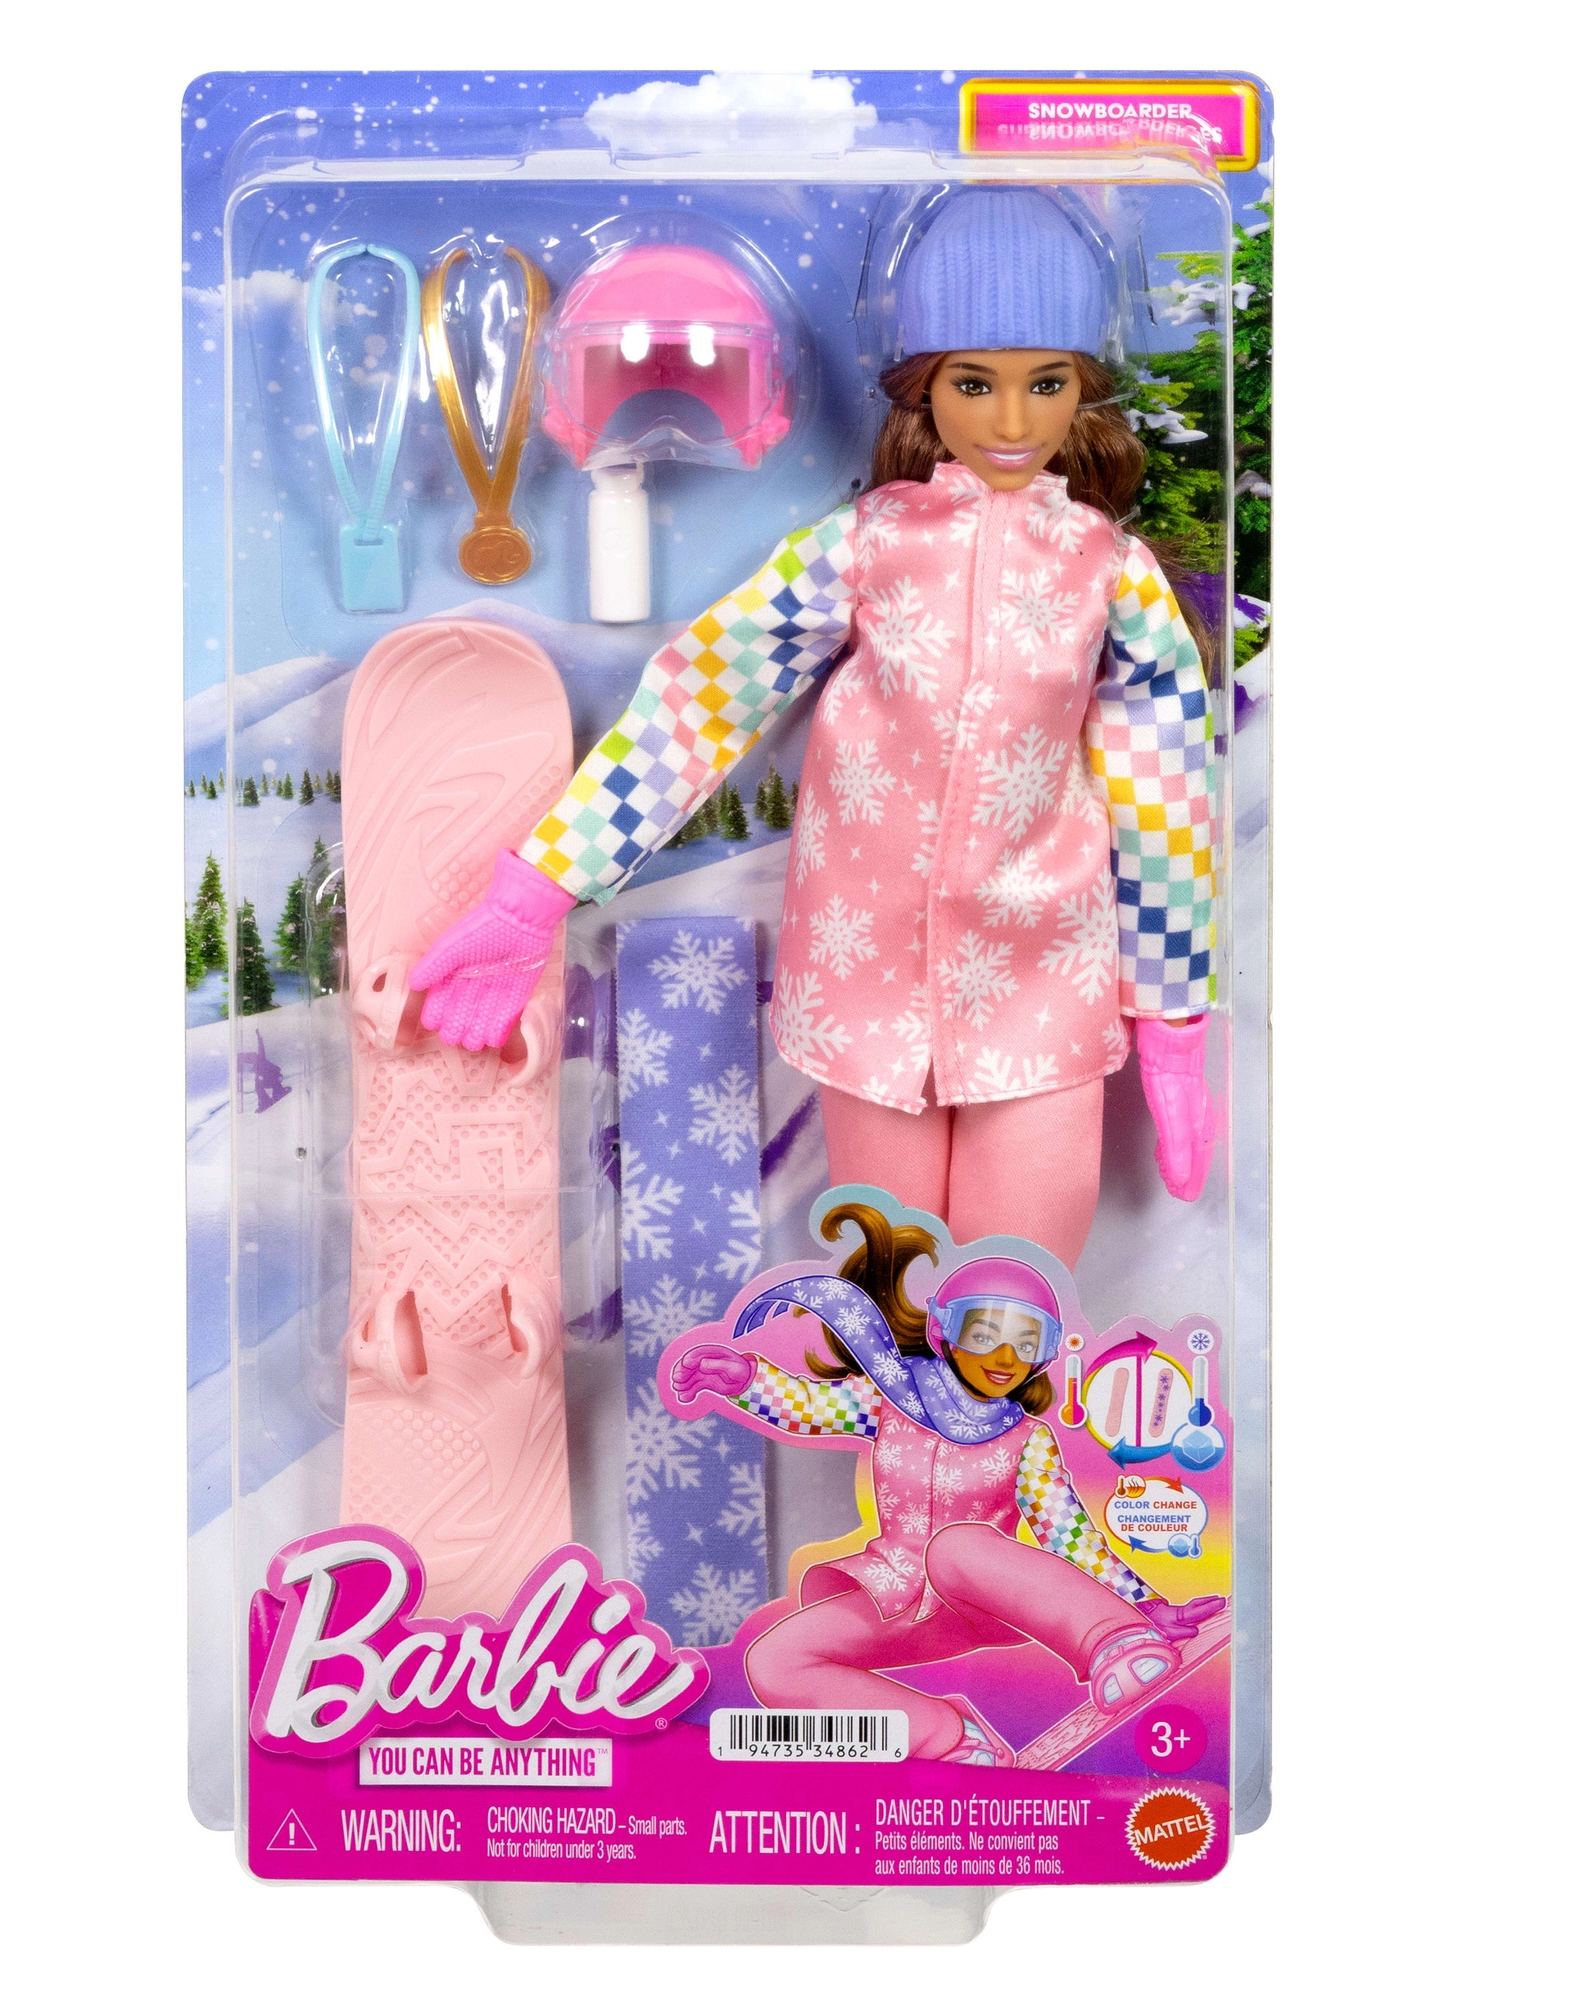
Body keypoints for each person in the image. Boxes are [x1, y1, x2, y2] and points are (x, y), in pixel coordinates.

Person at [406, 188, 1218, 1260]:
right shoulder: (862, 547)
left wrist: (1170, 1014)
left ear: (1084, 389)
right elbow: (702, 696)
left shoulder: (1108, 572)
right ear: (923, 387)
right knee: (884, 1298)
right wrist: (537, 890)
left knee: (1014, 1297)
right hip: (861, 978)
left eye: (1047, 383)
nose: (1014, 423)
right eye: (974, 383)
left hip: (1045, 974)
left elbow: (1164, 789)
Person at [667, 1202, 1220, 1764]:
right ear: (943, 1332)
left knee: (956, 1544)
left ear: (1045, 1353)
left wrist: (1141, 1606)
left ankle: (1113, 1640)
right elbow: (812, 1406)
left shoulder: (1024, 1438)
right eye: (984, 1335)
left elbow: (1068, 1532)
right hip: (897, 1597)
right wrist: (746, 1379)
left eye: (1027, 1344)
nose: (1004, 1357)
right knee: (775, 1658)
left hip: (986, 1597)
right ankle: (945, 1737)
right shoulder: (891, 1400)